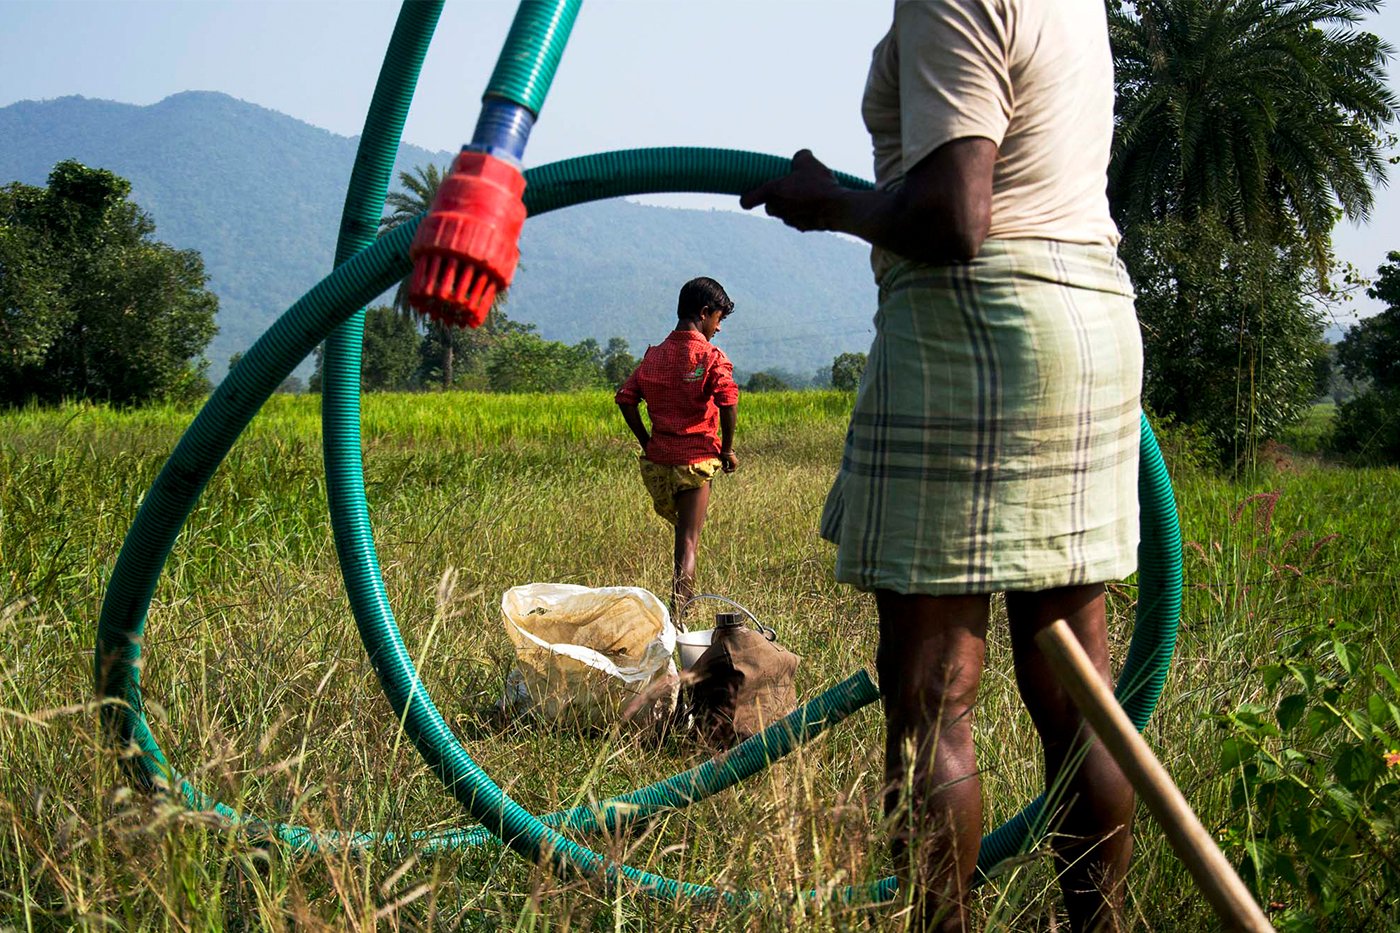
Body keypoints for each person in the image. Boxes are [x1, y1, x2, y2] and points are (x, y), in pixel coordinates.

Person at [740, 2, 1140, 931]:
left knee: (934, 695)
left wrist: (829, 206)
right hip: (1089, 326)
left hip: (979, 331)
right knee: (1079, 688)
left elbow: (958, 212)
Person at [615, 277, 740, 616]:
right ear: (704, 313)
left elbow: (626, 400)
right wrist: (727, 450)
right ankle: (679, 616)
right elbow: (728, 400)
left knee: (681, 537)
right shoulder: (709, 356)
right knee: (688, 544)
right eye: (718, 319)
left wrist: (647, 440)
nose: (718, 328)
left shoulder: (653, 356)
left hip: (658, 465)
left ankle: (676, 611)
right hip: (695, 463)